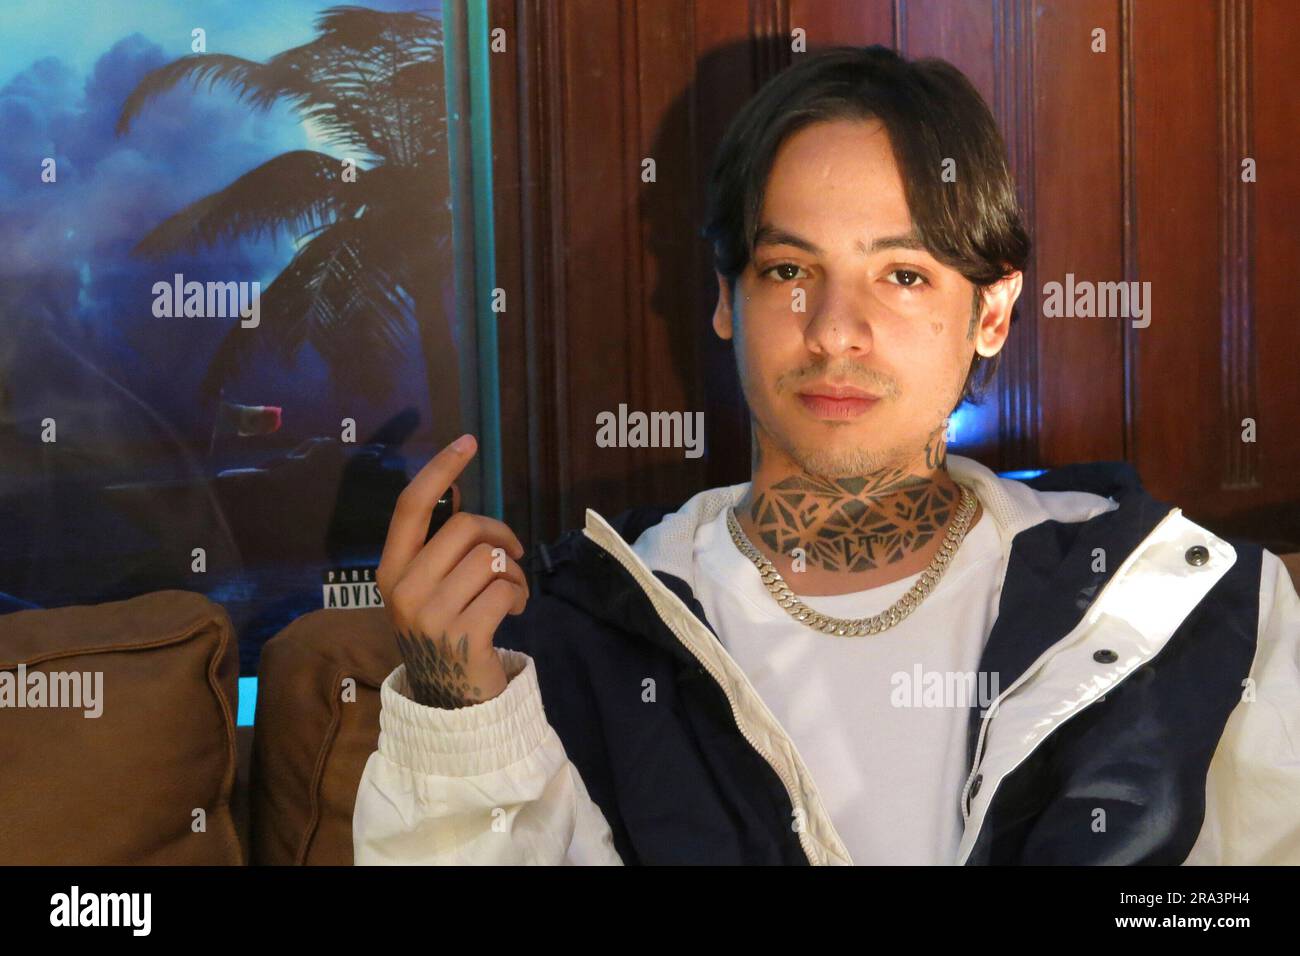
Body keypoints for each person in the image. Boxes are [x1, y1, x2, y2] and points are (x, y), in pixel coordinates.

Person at [352, 45, 1300, 865]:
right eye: (789, 271)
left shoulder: (1194, 607)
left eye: (901, 275)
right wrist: (457, 720)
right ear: (728, 300)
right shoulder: (571, 631)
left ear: (993, 312)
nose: (836, 332)